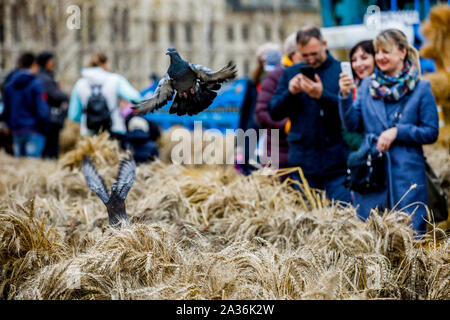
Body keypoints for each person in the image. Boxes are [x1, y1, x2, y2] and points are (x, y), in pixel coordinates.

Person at [338, 29, 439, 235]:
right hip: (372, 175)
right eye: (377, 52)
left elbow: (431, 132)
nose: (380, 57)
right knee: (372, 240)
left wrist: (398, 132)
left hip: (407, 178)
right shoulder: (367, 85)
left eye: (386, 51)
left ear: (402, 52)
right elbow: (351, 124)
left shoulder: (421, 88)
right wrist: (345, 95)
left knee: (411, 239)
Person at [269, 26, 351, 203]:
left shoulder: (340, 71)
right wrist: (290, 92)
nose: (310, 60)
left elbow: (349, 113)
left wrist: (321, 95)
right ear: (298, 51)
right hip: (303, 163)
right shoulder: (291, 73)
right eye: (305, 56)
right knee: (308, 223)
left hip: (336, 162)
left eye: (314, 53)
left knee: (342, 219)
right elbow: (274, 112)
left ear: (324, 45)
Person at [68, 52, 141, 144]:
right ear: (106, 63)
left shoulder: (80, 84)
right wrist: (124, 113)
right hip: (114, 129)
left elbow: (73, 115)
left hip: (89, 135)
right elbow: (136, 98)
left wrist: (86, 118)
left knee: (91, 158)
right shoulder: (115, 80)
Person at [255, 33, 303, 171]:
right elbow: (261, 112)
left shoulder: (311, 74)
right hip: (279, 154)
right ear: (293, 54)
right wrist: (287, 125)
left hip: (304, 155)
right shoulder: (275, 77)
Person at [236, 42, 281, 175]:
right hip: (253, 130)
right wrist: (238, 143)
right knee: (249, 165)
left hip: (273, 130)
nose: (265, 64)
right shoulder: (253, 82)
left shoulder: (281, 80)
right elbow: (244, 111)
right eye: (263, 61)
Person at [3, 52, 50, 158]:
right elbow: (42, 110)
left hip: (16, 131)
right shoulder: (36, 84)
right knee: (32, 168)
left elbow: (6, 110)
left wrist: (8, 125)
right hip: (34, 130)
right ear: (33, 65)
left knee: (20, 168)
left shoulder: (9, 85)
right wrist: (45, 126)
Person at [341, 40, 377, 152]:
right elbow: (349, 127)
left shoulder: (388, 87)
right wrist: (345, 94)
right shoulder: (352, 88)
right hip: (365, 151)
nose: (358, 64)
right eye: (354, 60)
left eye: (364, 58)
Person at [36, 51, 69, 158]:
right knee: (51, 149)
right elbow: (56, 95)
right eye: (51, 60)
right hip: (50, 119)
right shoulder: (44, 78)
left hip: (47, 118)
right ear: (46, 62)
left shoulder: (44, 76)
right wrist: (66, 96)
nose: (53, 63)